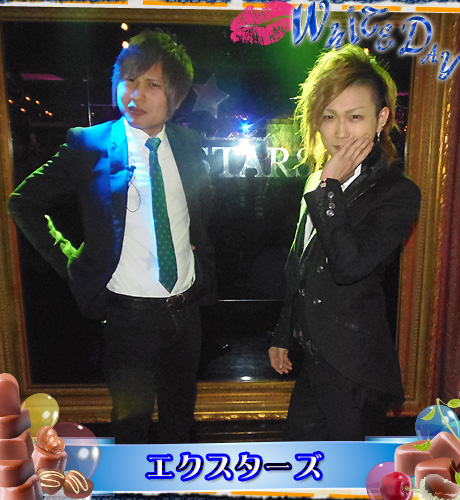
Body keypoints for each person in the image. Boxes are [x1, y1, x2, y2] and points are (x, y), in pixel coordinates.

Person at [9, 30, 216, 444]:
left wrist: (193, 244)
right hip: (128, 318)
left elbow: (198, 208)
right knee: (131, 426)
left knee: (180, 419)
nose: (135, 93)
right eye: (128, 80)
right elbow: (24, 202)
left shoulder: (189, 144)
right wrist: (73, 261)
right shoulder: (90, 144)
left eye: (152, 84)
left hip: (186, 311)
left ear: (174, 97)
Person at [269, 45, 421, 441]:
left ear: (381, 118)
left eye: (355, 117)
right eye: (328, 116)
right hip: (315, 359)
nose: (339, 131)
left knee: (348, 468)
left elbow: (349, 265)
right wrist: (283, 335)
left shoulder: (398, 192)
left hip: (355, 367)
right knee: (302, 459)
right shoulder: (319, 179)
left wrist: (330, 188)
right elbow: (301, 264)